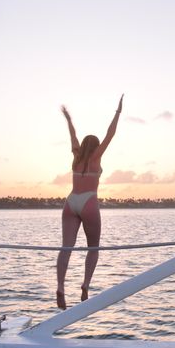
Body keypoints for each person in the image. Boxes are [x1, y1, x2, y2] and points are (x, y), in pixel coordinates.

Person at [56, 94, 124, 309]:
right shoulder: (96, 158)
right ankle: (85, 285)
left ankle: (60, 287)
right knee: (93, 248)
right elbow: (110, 135)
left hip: (71, 201)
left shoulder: (76, 157)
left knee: (66, 248)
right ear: (94, 147)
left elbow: (73, 135)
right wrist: (118, 112)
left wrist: (68, 118)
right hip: (88, 203)